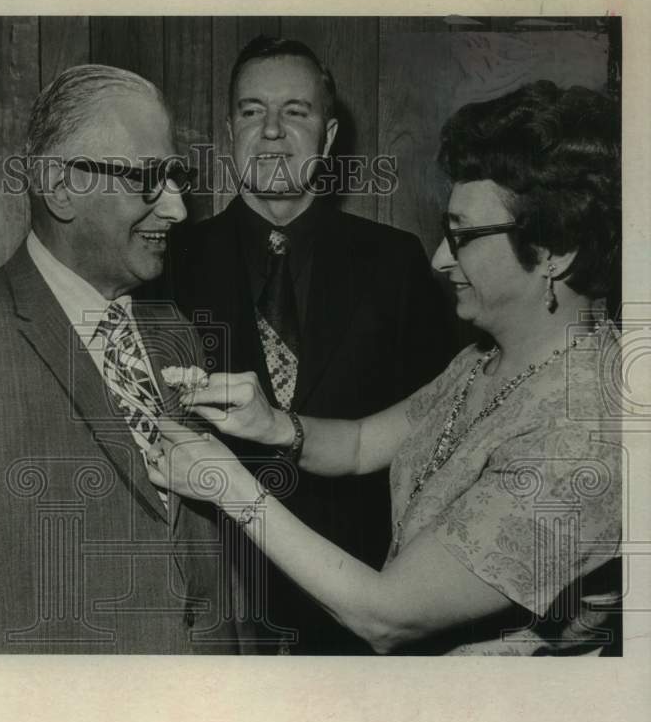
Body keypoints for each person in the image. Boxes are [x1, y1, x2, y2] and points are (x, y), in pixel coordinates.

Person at [149, 80, 622, 655]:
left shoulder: (583, 430)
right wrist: (274, 425)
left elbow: (388, 615)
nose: (440, 258)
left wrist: (226, 484)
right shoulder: (485, 360)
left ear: (556, 251)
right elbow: (362, 444)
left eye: (464, 237)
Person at [0, 64, 241, 653]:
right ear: (60, 186)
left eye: (176, 177)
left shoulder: (177, 332)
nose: (178, 209)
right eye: (148, 180)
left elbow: (206, 560)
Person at [159, 35, 455, 654]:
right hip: (216, 608)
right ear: (227, 131)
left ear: (326, 137)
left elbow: (437, 437)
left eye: (295, 112)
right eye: (251, 111)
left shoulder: (397, 264)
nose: (271, 131)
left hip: (363, 609)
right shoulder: (168, 263)